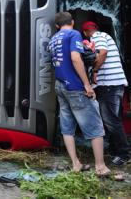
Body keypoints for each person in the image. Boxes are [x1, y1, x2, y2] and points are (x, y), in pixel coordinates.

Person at [49, 11, 110, 176]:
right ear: (73, 22)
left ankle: (76, 164)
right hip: (74, 86)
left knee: (67, 125)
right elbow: (75, 58)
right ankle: (100, 167)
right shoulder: (73, 34)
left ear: (57, 26)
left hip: (60, 85)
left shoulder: (53, 39)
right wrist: (87, 85)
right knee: (94, 125)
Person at [83, 20, 130, 166]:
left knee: (110, 119)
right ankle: (115, 149)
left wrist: (95, 71)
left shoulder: (97, 37)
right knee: (112, 119)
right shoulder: (104, 36)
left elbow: (103, 53)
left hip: (111, 85)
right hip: (112, 85)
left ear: (85, 32)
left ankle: (124, 153)